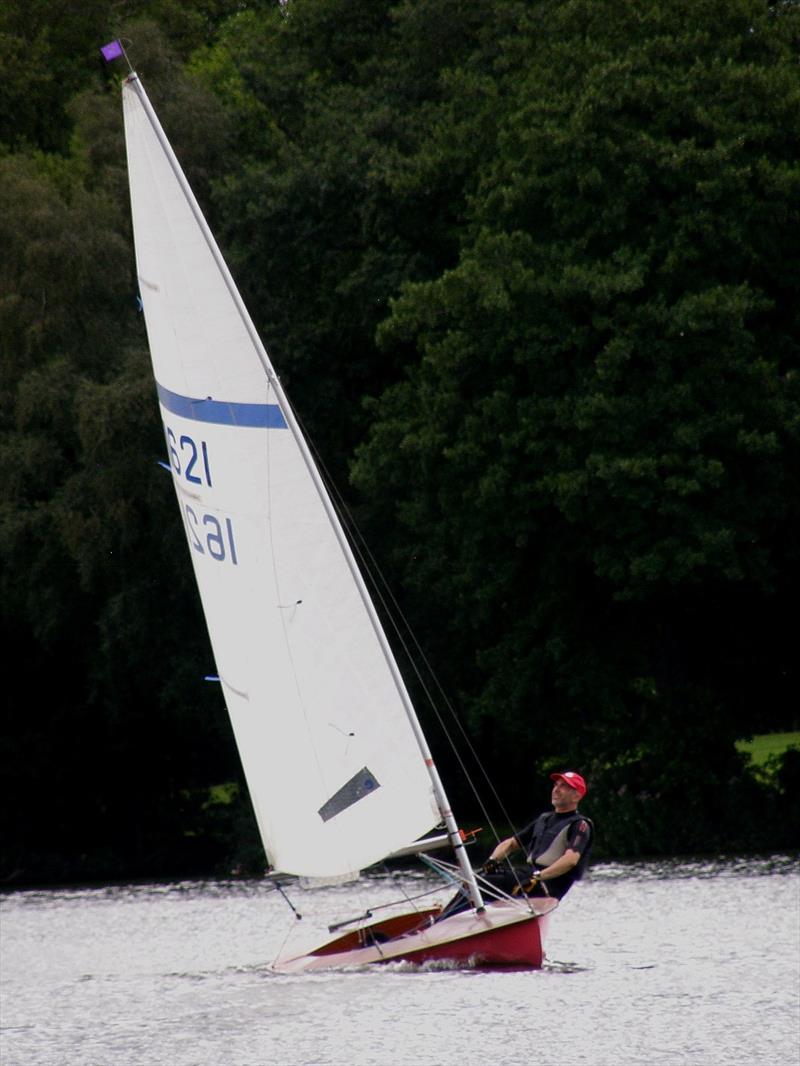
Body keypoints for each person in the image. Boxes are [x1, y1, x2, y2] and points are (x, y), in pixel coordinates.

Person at [437, 770, 593, 920]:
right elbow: (511, 843)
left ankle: (441, 923)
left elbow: (571, 860)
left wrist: (538, 877)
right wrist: (492, 861)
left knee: (478, 883)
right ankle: (443, 919)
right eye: (556, 785)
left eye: (564, 787)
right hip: (529, 878)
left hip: (546, 884)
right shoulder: (544, 819)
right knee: (476, 878)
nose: (557, 789)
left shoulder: (580, 825)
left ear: (576, 795)